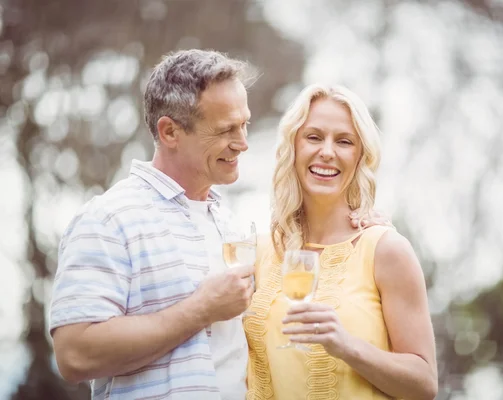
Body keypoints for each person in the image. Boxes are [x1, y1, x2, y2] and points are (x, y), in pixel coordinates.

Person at [49, 49, 390, 400]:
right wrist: (200, 310)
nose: (242, 143)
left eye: (245, 124)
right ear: (170, 132)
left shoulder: (234, 230)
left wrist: (360, 223)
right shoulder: (110, 219)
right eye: (227, 130)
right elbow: (74, 355)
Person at [244, 84, 438, 400]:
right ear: (293, 145)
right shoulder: (259, 252)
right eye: (314, 137)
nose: (328, 152)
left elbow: (425, 384)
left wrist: (346, 345)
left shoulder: (385, 250)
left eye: (344, 141)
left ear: (360, 156)